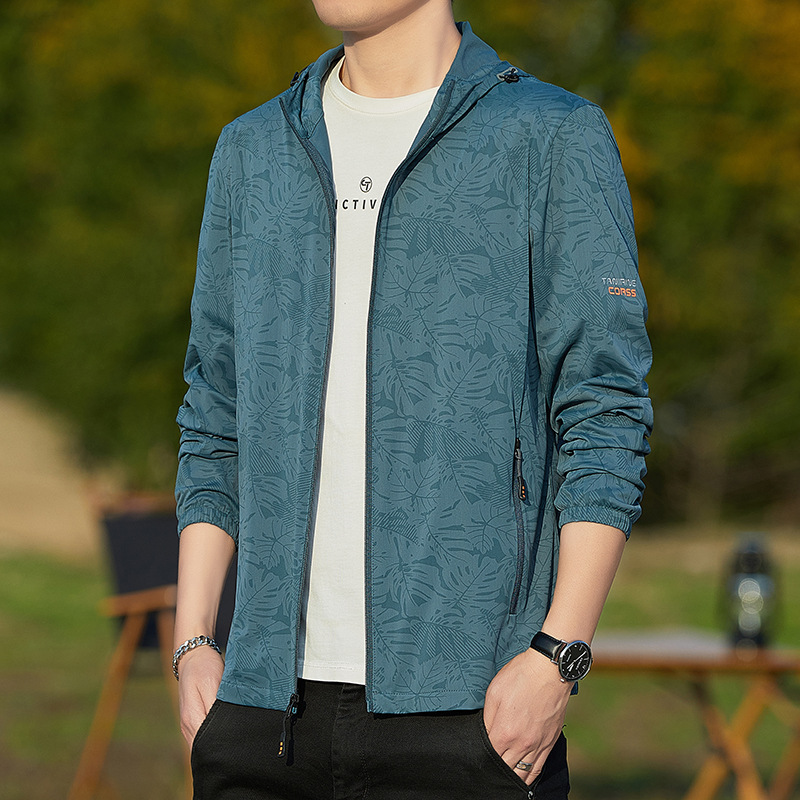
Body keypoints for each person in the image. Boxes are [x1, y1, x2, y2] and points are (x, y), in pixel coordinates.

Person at [173, 1, 653, 798]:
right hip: (260, 716)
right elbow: (214, 407)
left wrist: (556, 656)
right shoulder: (253, 150)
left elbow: (605, 410)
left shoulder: (550, 136)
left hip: (472, 713)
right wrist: (194, 643)